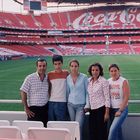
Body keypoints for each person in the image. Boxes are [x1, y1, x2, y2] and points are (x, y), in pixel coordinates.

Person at [20, 58, 49, 127]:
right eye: (40, 66)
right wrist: (26, 108)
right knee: (33, 132)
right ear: (37, 67)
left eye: (44, 66)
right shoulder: (30, 78)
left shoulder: (48, 78)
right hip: (33, 110)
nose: (42, 68)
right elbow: (23, 91)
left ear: (46, 66)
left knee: (44, 131)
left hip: (45, 109)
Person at [66, 59, 90, 140]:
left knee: (78, 127)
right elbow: (67, 92)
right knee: (73, 127)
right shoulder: (68, 78)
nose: (74, 68)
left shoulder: (84, 77)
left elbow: (87, 92)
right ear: (70, 67)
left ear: (78, 67)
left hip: (81, 106)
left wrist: (87, 105)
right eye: (72, 66)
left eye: (75, 66)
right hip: (70, 105)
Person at [87, 62, 110, 140]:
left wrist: (106, 113)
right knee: (92, 130)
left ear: (100, 71)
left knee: (101, 131)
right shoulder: (88, 81)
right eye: (93, 70)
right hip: (92, 110)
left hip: (101, 109)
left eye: (97, 70)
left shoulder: (104, 81)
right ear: (90, 71)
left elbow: (107, 97)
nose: (95, 72)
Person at [108, 64, 130, 140]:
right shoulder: (108, 81)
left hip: (121, 110)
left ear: (118, 71)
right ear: (109, 72)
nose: (113, 73)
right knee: (117, 131)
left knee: (112, 130)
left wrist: (120, 110)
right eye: (111, 71)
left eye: (115, 71)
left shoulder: (123, 81)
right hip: (111, 110)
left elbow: (126, 97)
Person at [48, 54, 69, 121]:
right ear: (53, 64)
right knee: (51, 122)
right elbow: (48, 87)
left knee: (61, 122)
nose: (57, 66)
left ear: (62, 63)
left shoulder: (66, 73)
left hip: (62, 101)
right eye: (55, 64)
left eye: (59, 64)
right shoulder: (49, 74)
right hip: (51, 102)